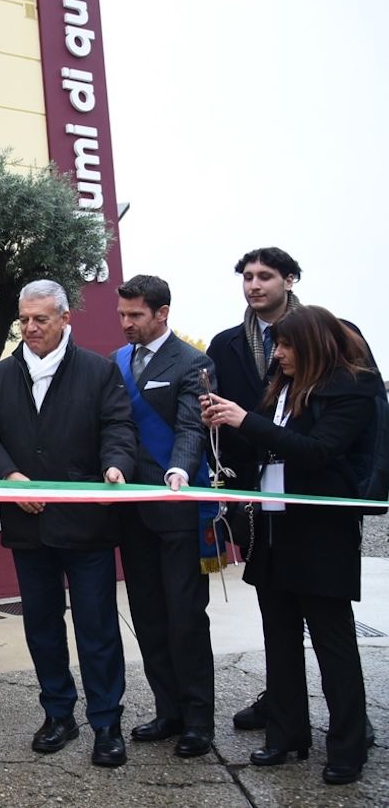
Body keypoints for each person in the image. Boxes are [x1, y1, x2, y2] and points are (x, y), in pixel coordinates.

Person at [201, 305, 379, 785]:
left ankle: (347, 746)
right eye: (276, 345)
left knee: (333, 644)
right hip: (273, 530)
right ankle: (286, 734)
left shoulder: (353, 388)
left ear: (313, 344)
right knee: (278, 640)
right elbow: (262, 451)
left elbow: (318, 451)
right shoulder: (279, 389)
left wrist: (247, 421)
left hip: (322, 536)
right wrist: (223, 424)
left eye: (285, 345)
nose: (277, 354)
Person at [0, 280, 136, 768]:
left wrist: (116, 465)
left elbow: (118, 427)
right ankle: (58, 714)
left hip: (86, 525)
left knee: (96, 628)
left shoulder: (99, 371)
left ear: (65, 319)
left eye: (40, 319)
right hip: (28, 528)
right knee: (42, 627)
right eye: (24, 319)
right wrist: (11, 477)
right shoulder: (1, 376)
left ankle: (106, 723)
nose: (30, 327)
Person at [112, 275, 216, 757]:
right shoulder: (117, 361)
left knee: (185, 618)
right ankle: (167, 711)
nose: (126, 323)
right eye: (122, 314)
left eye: (135, 315)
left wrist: (179, 468)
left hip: (176, 509)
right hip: (132, 511)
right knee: (149, 616)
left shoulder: (193, 362)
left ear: (162, 313)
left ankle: (198, 721)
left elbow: (192, 427)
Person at [207, 247, 301, 731]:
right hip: (253, 493)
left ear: (290, 279)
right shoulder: (225, 345)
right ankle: (281, 700)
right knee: (272, 607)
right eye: (247, 276)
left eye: (265, 276)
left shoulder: (329, 332)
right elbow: (213, 416)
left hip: (313, 488)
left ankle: (346, 710)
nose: (254, 285)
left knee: (325, 613)